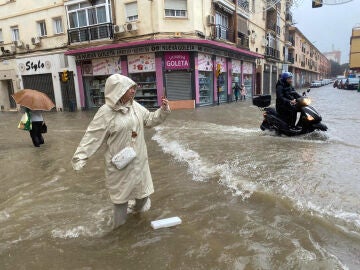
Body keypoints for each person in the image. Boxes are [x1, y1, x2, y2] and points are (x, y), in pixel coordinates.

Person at [71, 74, 171, 229]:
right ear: (118, 91)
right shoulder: (106, 112)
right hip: (120, 165)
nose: (133, 91)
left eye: (133, 88)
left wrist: (163, 110)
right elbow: (92, 135)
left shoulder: (135, 106)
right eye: (129, 88)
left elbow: (149, 120)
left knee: (143, 195)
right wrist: (81, 157)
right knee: (120, 201)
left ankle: (135, 215)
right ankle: (119, 232)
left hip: (139, 161)